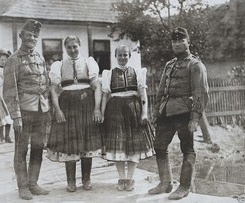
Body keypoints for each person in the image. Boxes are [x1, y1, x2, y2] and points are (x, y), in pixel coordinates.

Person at [148, 27, 209, 200]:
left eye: (180, 40)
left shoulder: (196, 65)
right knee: (159, 146)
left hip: (185, 112)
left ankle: (184, 186)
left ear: (188, 42)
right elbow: (161, 90)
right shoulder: (170, 64)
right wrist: (156, 111)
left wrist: (195, 118)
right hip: (166, 112)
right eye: (174, 41)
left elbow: (201, 93)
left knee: (187, 149)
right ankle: (165, 183)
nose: (176, 44)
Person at [47, 35, 102, 192]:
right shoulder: (58, 65)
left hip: (86, 105)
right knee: (69, 142)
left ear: (80, 46)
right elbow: (54, 90)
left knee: (86, 143)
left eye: (75, 46)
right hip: (67, 106)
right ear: (65, 49)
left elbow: (96, 86)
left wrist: (97, 108)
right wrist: (57, 110)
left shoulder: (88, 62)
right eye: (69, 47)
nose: (72, 50)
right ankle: (71, 181)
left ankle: (86, 179)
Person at [3, 19, 50, 200]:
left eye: (35, 36)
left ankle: (33, 183)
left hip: (41, 110)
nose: (32, 38)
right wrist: (16, 116)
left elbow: (45, 83)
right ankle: (22, 186)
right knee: (21, 150)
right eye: (29, 35)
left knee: (38, 148)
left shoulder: (40, 57)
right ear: (22, 36)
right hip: (23, 111)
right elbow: (9, 90)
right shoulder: (13, 60)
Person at [101, 45, 155, 191]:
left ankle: (130, 178)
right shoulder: (109, 74)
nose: (123, 58)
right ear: (115, 56)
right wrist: (102, 113)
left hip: (133, 111)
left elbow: (143, 95)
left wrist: (144, 113)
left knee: (133, 146)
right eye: (120, 55)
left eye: (125, 55)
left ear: (129, 56)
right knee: (118, 145)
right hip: (115, 112)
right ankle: (121, 178)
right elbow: (105, 95)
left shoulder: (137, 72)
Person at [0, 49, 13, 144]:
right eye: (2, 59)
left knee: (8, 117)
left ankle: (7, 136)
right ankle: (1, 137)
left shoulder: (10, 70)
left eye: (5, 59)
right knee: (1, 116)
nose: (4, 61)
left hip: (8, 95)